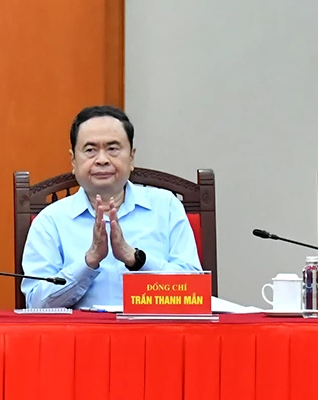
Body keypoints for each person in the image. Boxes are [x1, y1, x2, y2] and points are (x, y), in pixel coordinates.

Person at [21, 105, 203, 309]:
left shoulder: (166, 207)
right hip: (79, 338)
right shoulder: (51, 220)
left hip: (154, 335)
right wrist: (88, 263)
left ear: (131, 157)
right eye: (90, 150)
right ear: (73, 160)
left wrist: (137, 260)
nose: (102, 160)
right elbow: (36, 304)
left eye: (112, 149)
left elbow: (195, 291)